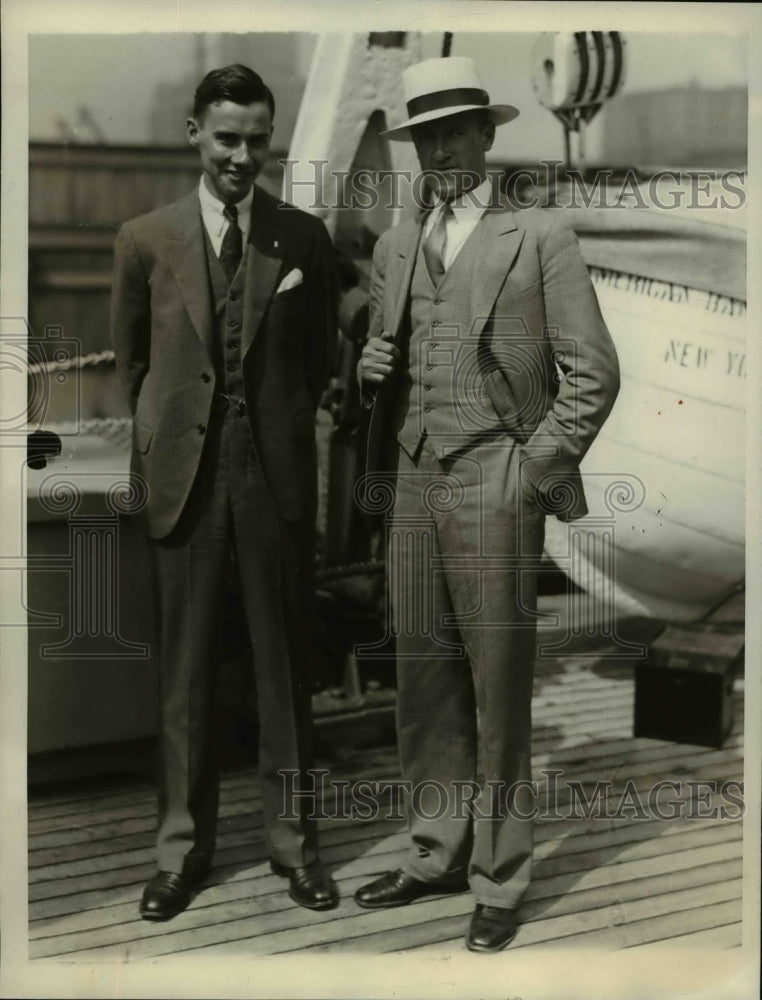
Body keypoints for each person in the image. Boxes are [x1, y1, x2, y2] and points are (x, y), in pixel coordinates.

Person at [354, 56, 620, 951]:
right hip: (413, 477)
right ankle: (436, 849)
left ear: (487, 135)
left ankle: (500, 878)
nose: (438, 148)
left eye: (453, 130)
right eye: (424, 134)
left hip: (493, 480)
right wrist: (367, 371)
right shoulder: (397, 244)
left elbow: (593, 373)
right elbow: (395, 362)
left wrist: (530, 466)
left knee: (500, 688)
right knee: (423, 681)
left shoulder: (538, 234)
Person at [111, 64, 338, 921]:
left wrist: (274, 437)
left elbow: (315, 366)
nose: (242, 156)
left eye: (256, 139)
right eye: (227, 138)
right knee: (186, 677)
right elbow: (134, 369)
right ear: (194, 133)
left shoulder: (303, 240)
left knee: (286, 674)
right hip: (185, 488)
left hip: (272, 480)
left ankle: (295, 847)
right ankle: (181, 853)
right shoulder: (143, 239)